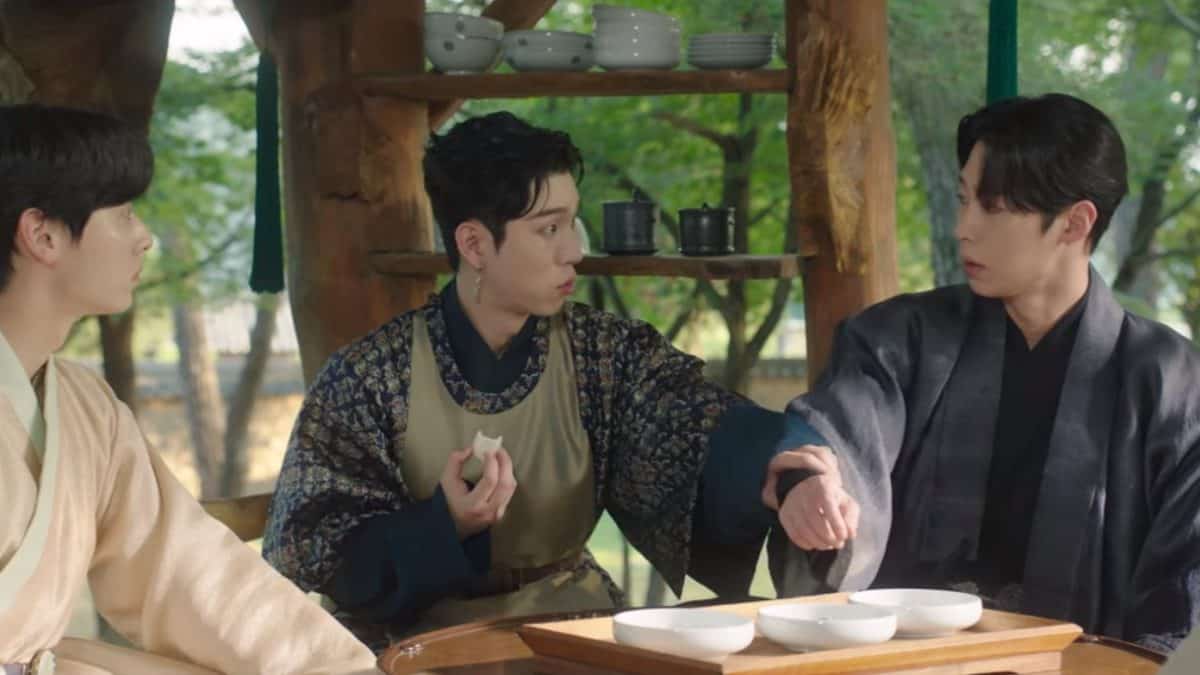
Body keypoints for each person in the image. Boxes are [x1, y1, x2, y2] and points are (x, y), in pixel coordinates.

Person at [263, 111, 836, 649]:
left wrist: (783, 469)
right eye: (549, 228)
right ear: (474, 244)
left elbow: (699, 423)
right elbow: (313, 548)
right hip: (416, 645)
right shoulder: (371, 376)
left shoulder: (600, 353)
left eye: (572, 222)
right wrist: (444, 524)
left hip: (570, 627)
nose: (575, 250)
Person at [766, 93, 1200, 652]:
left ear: (1075, 223)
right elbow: (837, 432)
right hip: (906, 662)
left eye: (993, 207)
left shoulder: (1172, 382)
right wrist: (809, 481)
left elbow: (1184, 591)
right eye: (963, 199)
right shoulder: (899, 337)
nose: (963, 228)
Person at [0, 104, 380, 674]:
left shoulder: (86, 409)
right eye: (124, 213)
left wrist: (335, 668)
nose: (144, 237)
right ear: (43, 235)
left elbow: (188, 570)